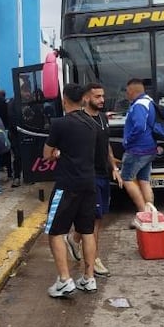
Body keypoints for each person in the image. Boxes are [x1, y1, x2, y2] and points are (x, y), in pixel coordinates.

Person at [43, 83, 99, 297]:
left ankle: (65, 280)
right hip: (89, 182)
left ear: (64, 99)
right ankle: (89, 277)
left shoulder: (60, 123)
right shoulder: (92, 124)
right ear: (84, 99)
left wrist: (59, 154)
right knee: (86, 231)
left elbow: (47, 154)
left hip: (67, 185)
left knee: (55, 232)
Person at [65, 83, 122, 278]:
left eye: (103, 96)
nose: (102, 100)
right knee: (94, 221)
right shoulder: (81, 121)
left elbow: (106, 146)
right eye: (97, 96)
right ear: (87, 98)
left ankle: (74, 239)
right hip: (89, 176)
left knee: (98, 218)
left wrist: (114, 167)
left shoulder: (103, 119)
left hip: (104, 174)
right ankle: (94, 259)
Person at [121, 79, 158, 222]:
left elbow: (139, 126)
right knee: (144, 180)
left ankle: (143, 215)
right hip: (150, 148)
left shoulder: (138, 105)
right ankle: (150, 213)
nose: (126, 94)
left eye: (126, 91)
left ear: (132, 91)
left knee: (127, 179)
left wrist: (127, 140)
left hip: (137, 150)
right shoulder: (149, 101)